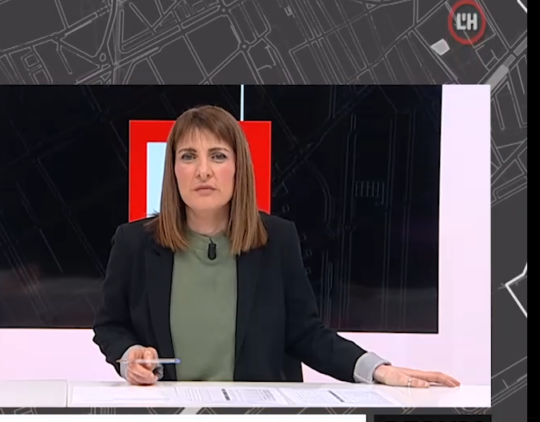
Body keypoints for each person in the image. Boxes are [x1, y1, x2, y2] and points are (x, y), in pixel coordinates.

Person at [92, 105, 460, 389]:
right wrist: (129, 357)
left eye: (218, 156)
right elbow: (110, 325)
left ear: (239, 168)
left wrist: (376, 369)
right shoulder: (134, 242)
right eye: (188, 156)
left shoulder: (277, 239)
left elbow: (306, 333)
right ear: (173, 170)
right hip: (168, 419)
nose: (203, 170)